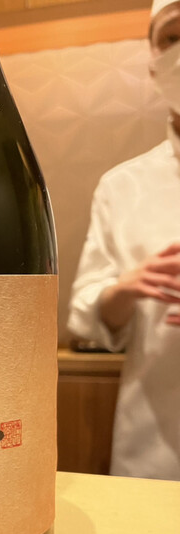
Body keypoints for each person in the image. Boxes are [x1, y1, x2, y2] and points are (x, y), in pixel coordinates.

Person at [68, 0, 180, 481]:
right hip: (153, 447)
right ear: (152, 60)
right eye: (172, 36)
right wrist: (124, 290)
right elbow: (86, 315)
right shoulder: (123, 185)